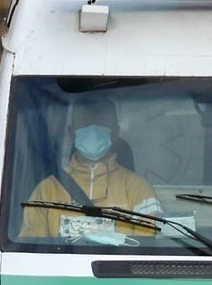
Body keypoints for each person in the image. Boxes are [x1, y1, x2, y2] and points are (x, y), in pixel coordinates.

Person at [20, 97, 162, 238]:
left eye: (102, 123)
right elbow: (30, 248)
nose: (93, 130)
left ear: (116, 132)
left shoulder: (139, 190)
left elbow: (147, 247)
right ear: (71, 133)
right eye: (85, 122)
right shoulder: (46, 191)